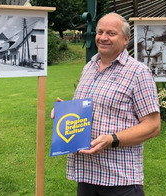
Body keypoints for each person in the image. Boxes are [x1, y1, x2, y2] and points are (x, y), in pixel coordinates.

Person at [53, 13, 160, 196]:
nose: (103, 38)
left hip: (119, 180)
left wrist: (112, 139)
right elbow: (93, 109)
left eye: (111, 33)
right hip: (87, 175)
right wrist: (67, 111)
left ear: (126, 39)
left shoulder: (138, 73)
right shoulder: (89, 67)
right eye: (100, 32)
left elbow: (153, 126)